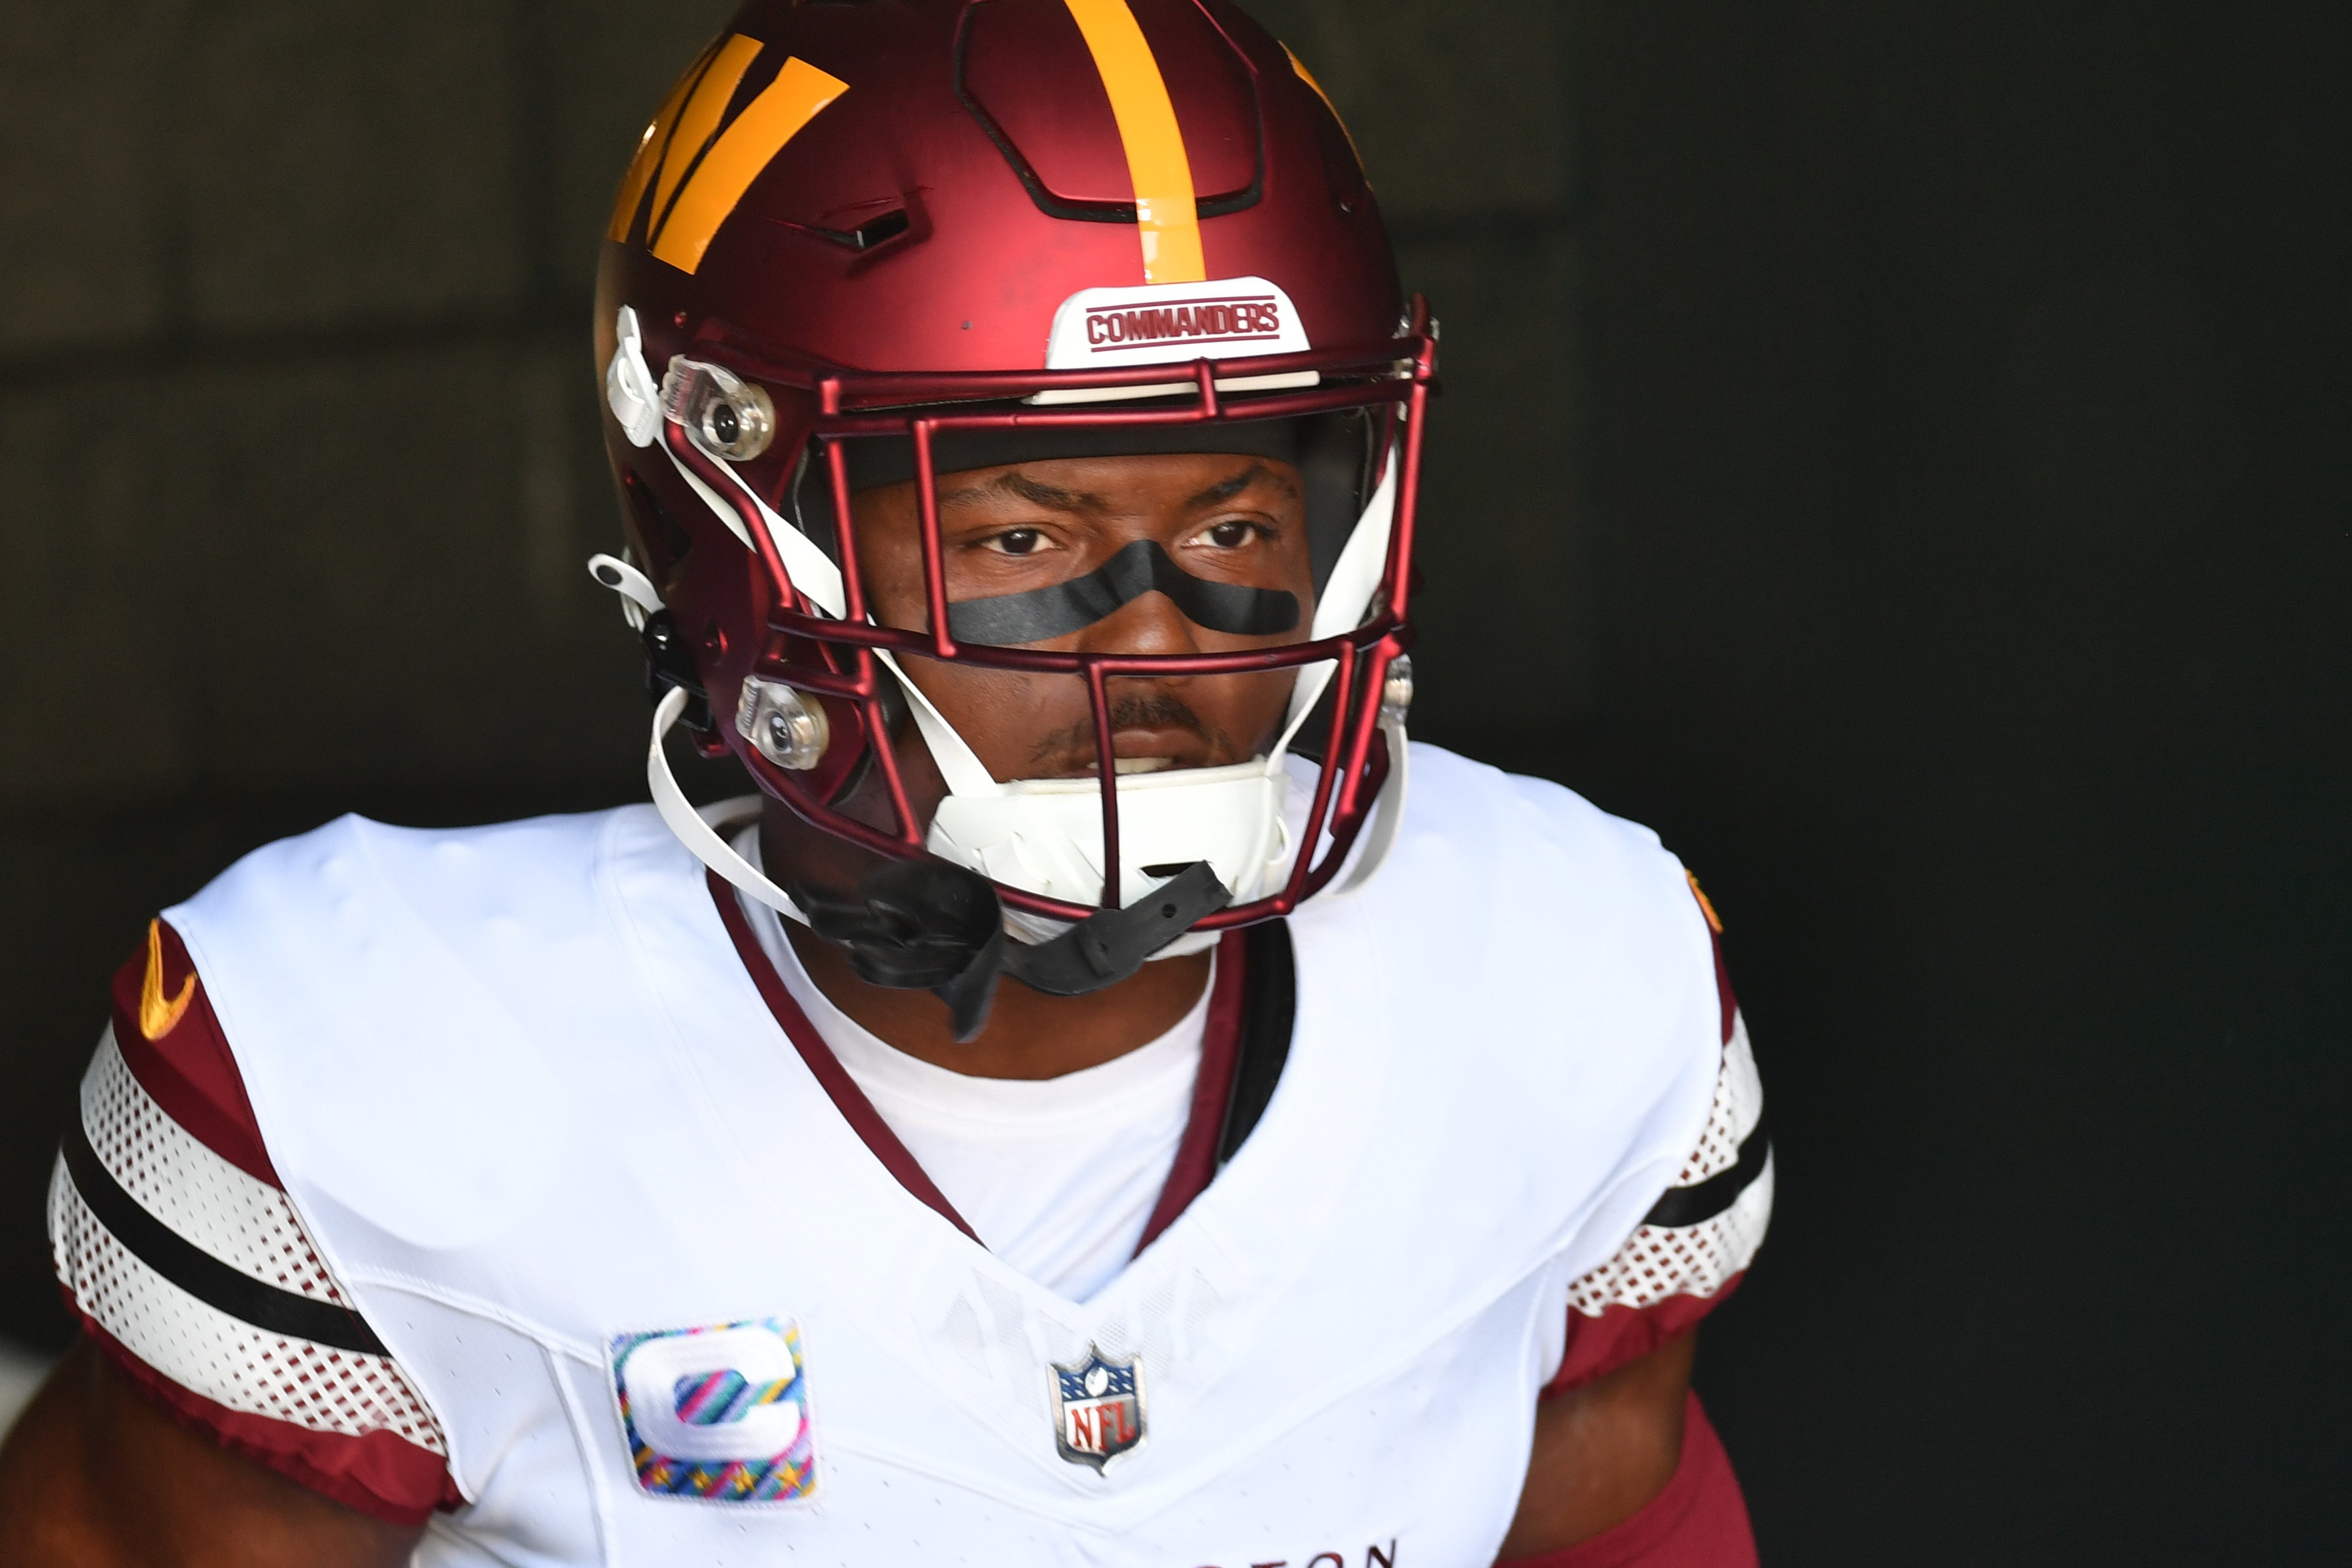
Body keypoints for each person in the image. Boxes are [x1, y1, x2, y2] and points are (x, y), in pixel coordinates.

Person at [0, 2, 1770, 1563]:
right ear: (728, 523)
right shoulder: (373, 1068)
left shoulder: (1568, 980)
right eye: (1019, 529)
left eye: (1234, 519)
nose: (1151, 639)